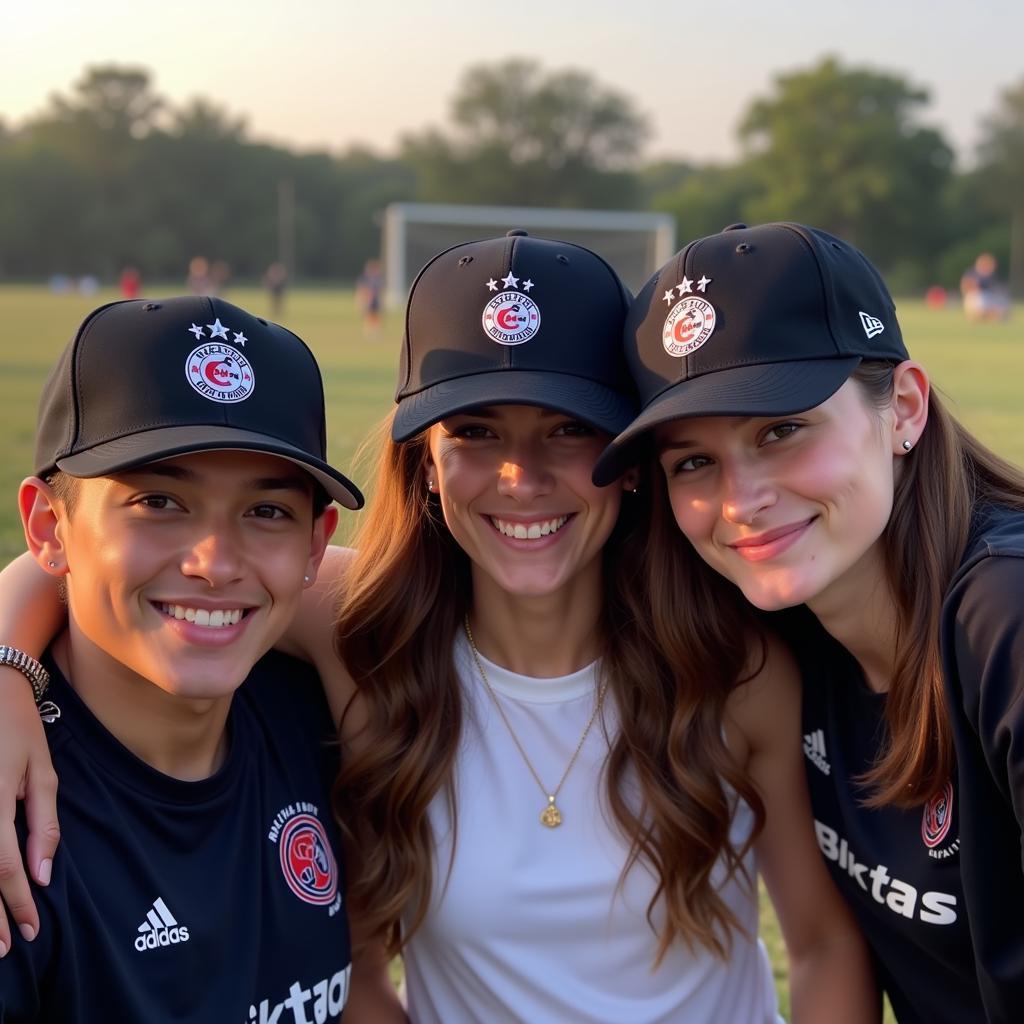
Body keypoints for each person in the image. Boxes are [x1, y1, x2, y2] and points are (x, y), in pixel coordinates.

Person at [0, 234, 875, 1022]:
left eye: (570, 431)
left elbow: (825, 947)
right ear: (423, 465)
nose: (519, 477)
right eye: (476, 430)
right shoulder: (368, 635)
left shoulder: (731, 662)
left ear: (629, 464)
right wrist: (6, 670)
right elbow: (90, 561)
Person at [592, 221, 1024, 1023]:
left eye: (782, 429)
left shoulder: (1005, 620)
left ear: (903, 406)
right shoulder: (779, 619)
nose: (740, 499)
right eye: (693, 461)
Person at [0, 295, 364, 1020]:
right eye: (159, 502)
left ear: (315, 545)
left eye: (266, 512)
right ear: (50, 526)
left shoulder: (317, 704)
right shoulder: (16, 835)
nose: (215, 563)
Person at [959, 252, 1010, 322]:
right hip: (975, 297)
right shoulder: (973, 273)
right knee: (980, 298)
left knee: (1001, 302)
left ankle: (990, 315)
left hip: (988, 297)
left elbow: (996, 290)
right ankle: (982, 315)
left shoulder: (992, 276)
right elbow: (966, 287)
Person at [355, 258, 383, 334]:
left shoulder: (378, 279)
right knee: (369, 314)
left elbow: (379, 290)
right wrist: (361, 300)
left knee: (375, 314)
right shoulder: (365, 279)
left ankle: (375, 329)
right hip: (368, 299)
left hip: (375, 299)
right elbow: (362, 290)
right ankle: (369, 329)